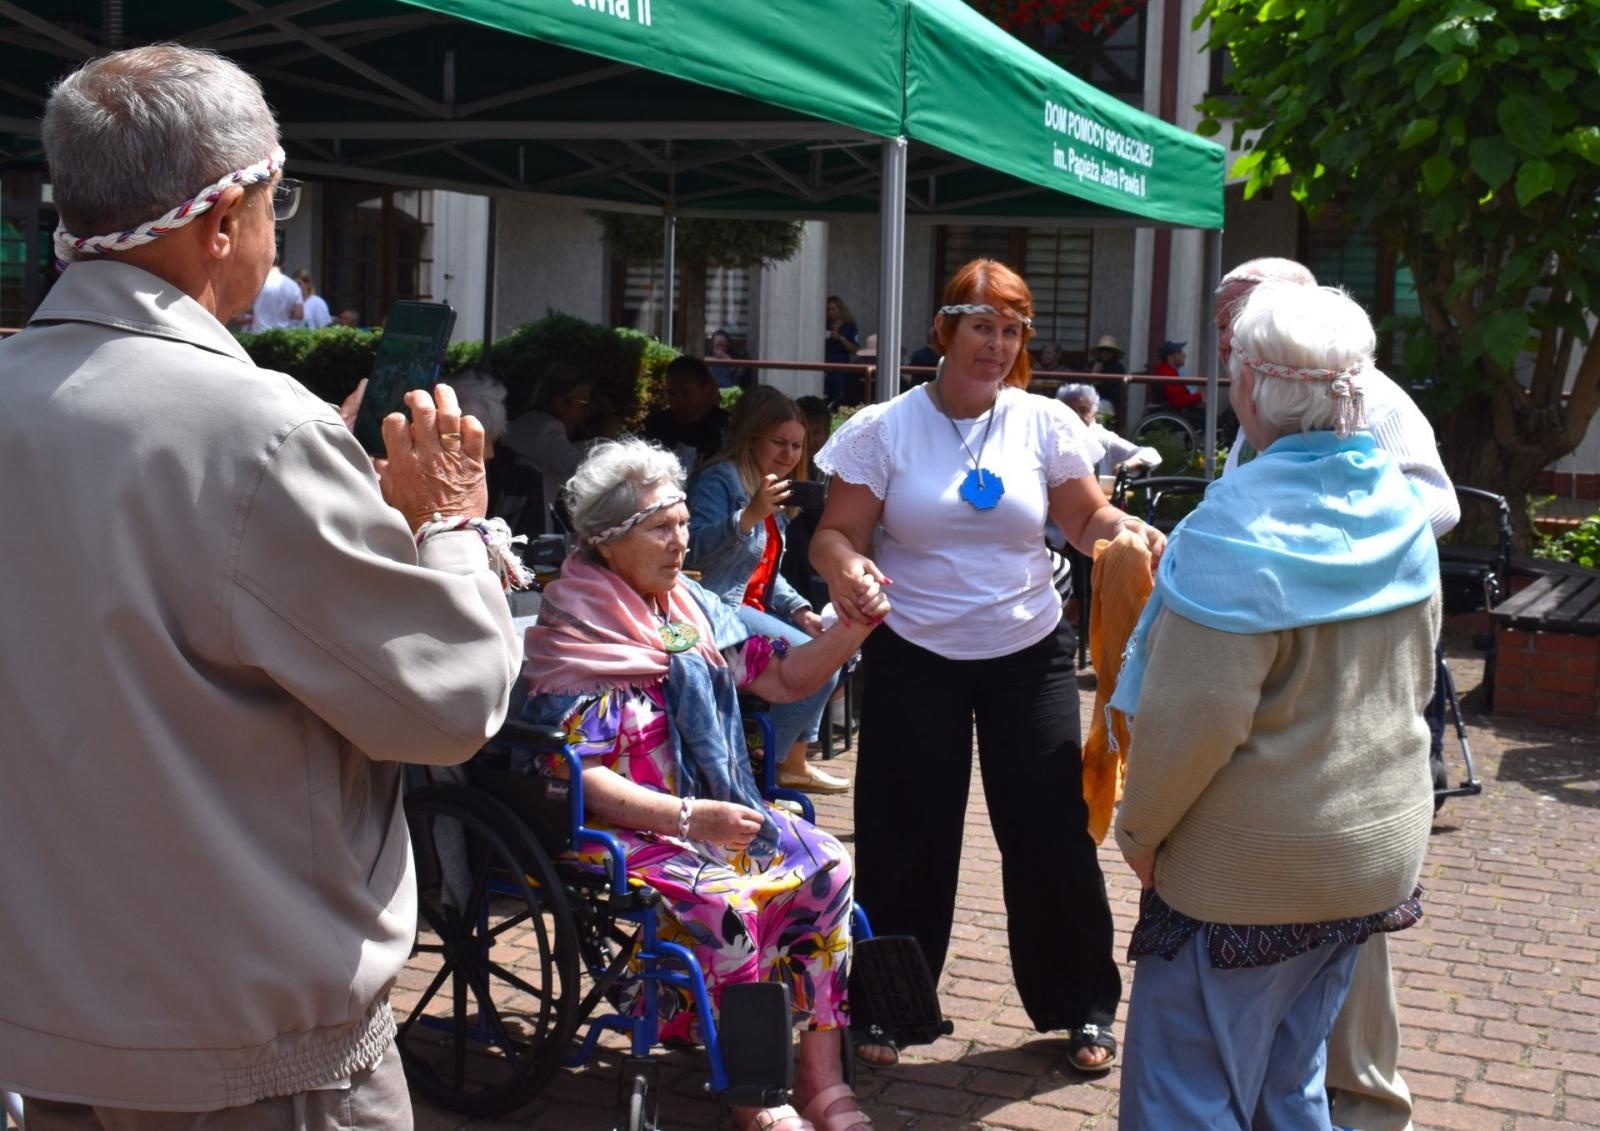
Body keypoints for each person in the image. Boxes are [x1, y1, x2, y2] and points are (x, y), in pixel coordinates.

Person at [0, 44, 523, 1125]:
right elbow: (450, 703)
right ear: (222, 219)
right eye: (277, 202)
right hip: (246, 1043)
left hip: (47, 1021)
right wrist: (453, 525)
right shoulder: (253, 430)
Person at [810, 258, 1165, 1073]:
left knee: (1050, 831)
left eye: (1012, 330)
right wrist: (844, 566)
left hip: (1028, 652)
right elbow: (835, 533)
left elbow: (1082, 515)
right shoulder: (885, 428)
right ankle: (889, 1011)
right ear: (946, 330)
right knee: (907, 836)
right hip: (912, 653)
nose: (997, 345)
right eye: (982, 326)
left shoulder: (1044, 422)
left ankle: (1081, 1006)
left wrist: (1122, 533)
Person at [1112, 281, 1440, 1129]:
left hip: (1246, 872)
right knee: (1290, 1081)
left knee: (1185, 1096)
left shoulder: (1232, 533)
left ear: (1250, 385)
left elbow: (1191, 727)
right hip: (1374, 851)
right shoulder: (1402, 511)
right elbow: (1418, 675)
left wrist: (1139, 833)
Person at [522, 438, 884, 1131]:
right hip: (624, 831)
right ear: (607, 539)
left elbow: (783, 677)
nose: (682, 540)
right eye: (662, 526)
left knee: (828, 864)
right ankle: (756, 1095)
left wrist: (853, 628)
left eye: (684, 521)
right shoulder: (577, 622)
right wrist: (689, 817)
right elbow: (581, 774)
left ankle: (822, 1078)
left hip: (711, 812)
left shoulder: (687, 606)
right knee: (731, 902)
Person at [1215, 257, 1459, 1131]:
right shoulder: (1269, 406)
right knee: (1319, 920)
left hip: (1358, 684)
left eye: (1236, 327)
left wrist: (1326, 553)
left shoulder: (1368, 396)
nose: (1226, 347)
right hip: (1302, 680)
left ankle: (1367, 1103)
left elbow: (1437, 506)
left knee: (1348, 923)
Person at [687, 387, 847, 794]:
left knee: (828, 652)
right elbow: (691, 549)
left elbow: (765, 569)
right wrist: (748, 516)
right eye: (778, 442)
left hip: (750, 609)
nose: (789, 454)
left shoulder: (769, 484)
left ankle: (789, 763)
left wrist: (800, 611)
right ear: (751, 437)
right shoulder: (720, 480)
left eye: (797, 445)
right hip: (715, 608)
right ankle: (762, 776)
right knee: (815, 664)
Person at [499, 363, 593, 538]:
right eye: (583, 405)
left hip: (510, 516)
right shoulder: (548, 428)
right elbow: (579, 470)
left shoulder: (527, 422)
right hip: (531, 524)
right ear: (560, 403)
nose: (586, 413)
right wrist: (609, 449)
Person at [641, 354, 730, 471]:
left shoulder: (726, 428)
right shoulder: (658, 425)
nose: (678, 401)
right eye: (671, 394)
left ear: (706, 391)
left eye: (686, 395)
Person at [1057, 383, 1161, 477]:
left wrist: (1127, 465)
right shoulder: (1051, 435)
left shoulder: (1101, 438)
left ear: (1095, 413)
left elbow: (1152, 455)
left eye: (1084, 410)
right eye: (1069, 410)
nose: (1076, 415)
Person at [1151, 338, 1203, 421]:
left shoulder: (1170, 371)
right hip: (1177, 413)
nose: (1184, 355)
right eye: (1180, 352)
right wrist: (1199, 397)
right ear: (1170, 357)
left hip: (1179, 410)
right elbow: (1178, 401)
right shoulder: (1166, 373)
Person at [823, 294, 861, 407]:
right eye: (828, 310)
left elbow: (855, 349)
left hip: (841, 368)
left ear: (840, 309)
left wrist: (841, 338)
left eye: (833, 309)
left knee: (838, 396)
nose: (830, 312)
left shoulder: (849, 327)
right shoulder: (824, 325)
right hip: (824, 366)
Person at [250, 250, 302, 329]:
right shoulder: (293, 286)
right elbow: (299, 314)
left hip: (259, 334)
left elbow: (244, 309)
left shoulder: (256, 283)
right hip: (283, 334)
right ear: (283, 264)